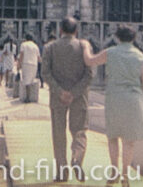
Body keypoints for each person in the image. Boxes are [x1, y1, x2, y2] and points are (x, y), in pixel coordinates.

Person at [83, 26, 143, 186]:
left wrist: (85, 46)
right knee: (129, 141)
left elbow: (90, 61)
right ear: (134, 39)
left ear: (117, 38)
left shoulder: (111, 52)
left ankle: (114, 171)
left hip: (115, 98)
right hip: (134, 100)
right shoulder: (140, 56)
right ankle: (125, 175)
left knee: (113, 136)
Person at [44, 17, 92, 182]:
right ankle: (77, 158)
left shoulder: (50, 47)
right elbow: (89, 75)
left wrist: (60, 92)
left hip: (57, 97)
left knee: (58, 134)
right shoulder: (83, 47)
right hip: (79, 97)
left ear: (60, 31)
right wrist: (74, 92)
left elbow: (45, 73)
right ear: (76, 31)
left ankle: (61, 173)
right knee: (79, 131)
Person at [17, 33, 41, 102]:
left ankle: (28, 97)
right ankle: (31, 96)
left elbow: (21, 55)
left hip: (26, 63)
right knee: (31, 80)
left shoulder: (23, 44)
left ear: (25, 38)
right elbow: (38, 57)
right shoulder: (35, 46)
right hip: (34, 64)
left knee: (26, 81)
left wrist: (19, 65)